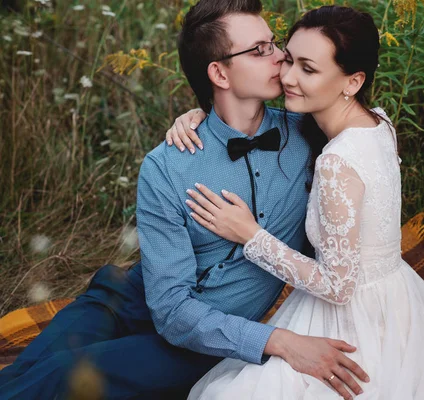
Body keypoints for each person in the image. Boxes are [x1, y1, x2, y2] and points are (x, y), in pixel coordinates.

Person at [0, 1, 369, 399]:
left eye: (273, 43)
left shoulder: (312, 138)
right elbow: (171, 307)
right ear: (219, 72)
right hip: (131, 299)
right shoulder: (167, 164)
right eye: (260, 49)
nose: (280, 57)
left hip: (209, 335)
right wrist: (280, 340)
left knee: (60, 377)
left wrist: (268, 340)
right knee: (26, 374)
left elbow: (369, 133)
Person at [169, 5, 424, 399]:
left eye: (308, 69)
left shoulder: (336, 162)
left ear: (352, 81)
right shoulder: (377, 121)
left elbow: (339, 286)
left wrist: (250, 236)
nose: (286, 76)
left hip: (353, 316)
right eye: (288, 58)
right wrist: (202, 114)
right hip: (398, 303)